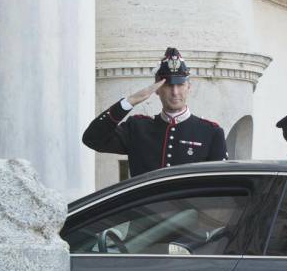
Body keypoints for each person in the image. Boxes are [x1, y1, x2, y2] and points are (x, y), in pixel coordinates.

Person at [82, 47, 228, 177]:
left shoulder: (210, 132)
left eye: (180, 84)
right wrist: (131, 100)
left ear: (189, 86)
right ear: (157, 89)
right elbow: (93, 139)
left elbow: (219, 187)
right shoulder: (137, 128)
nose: (175, 92)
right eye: (169, 85)